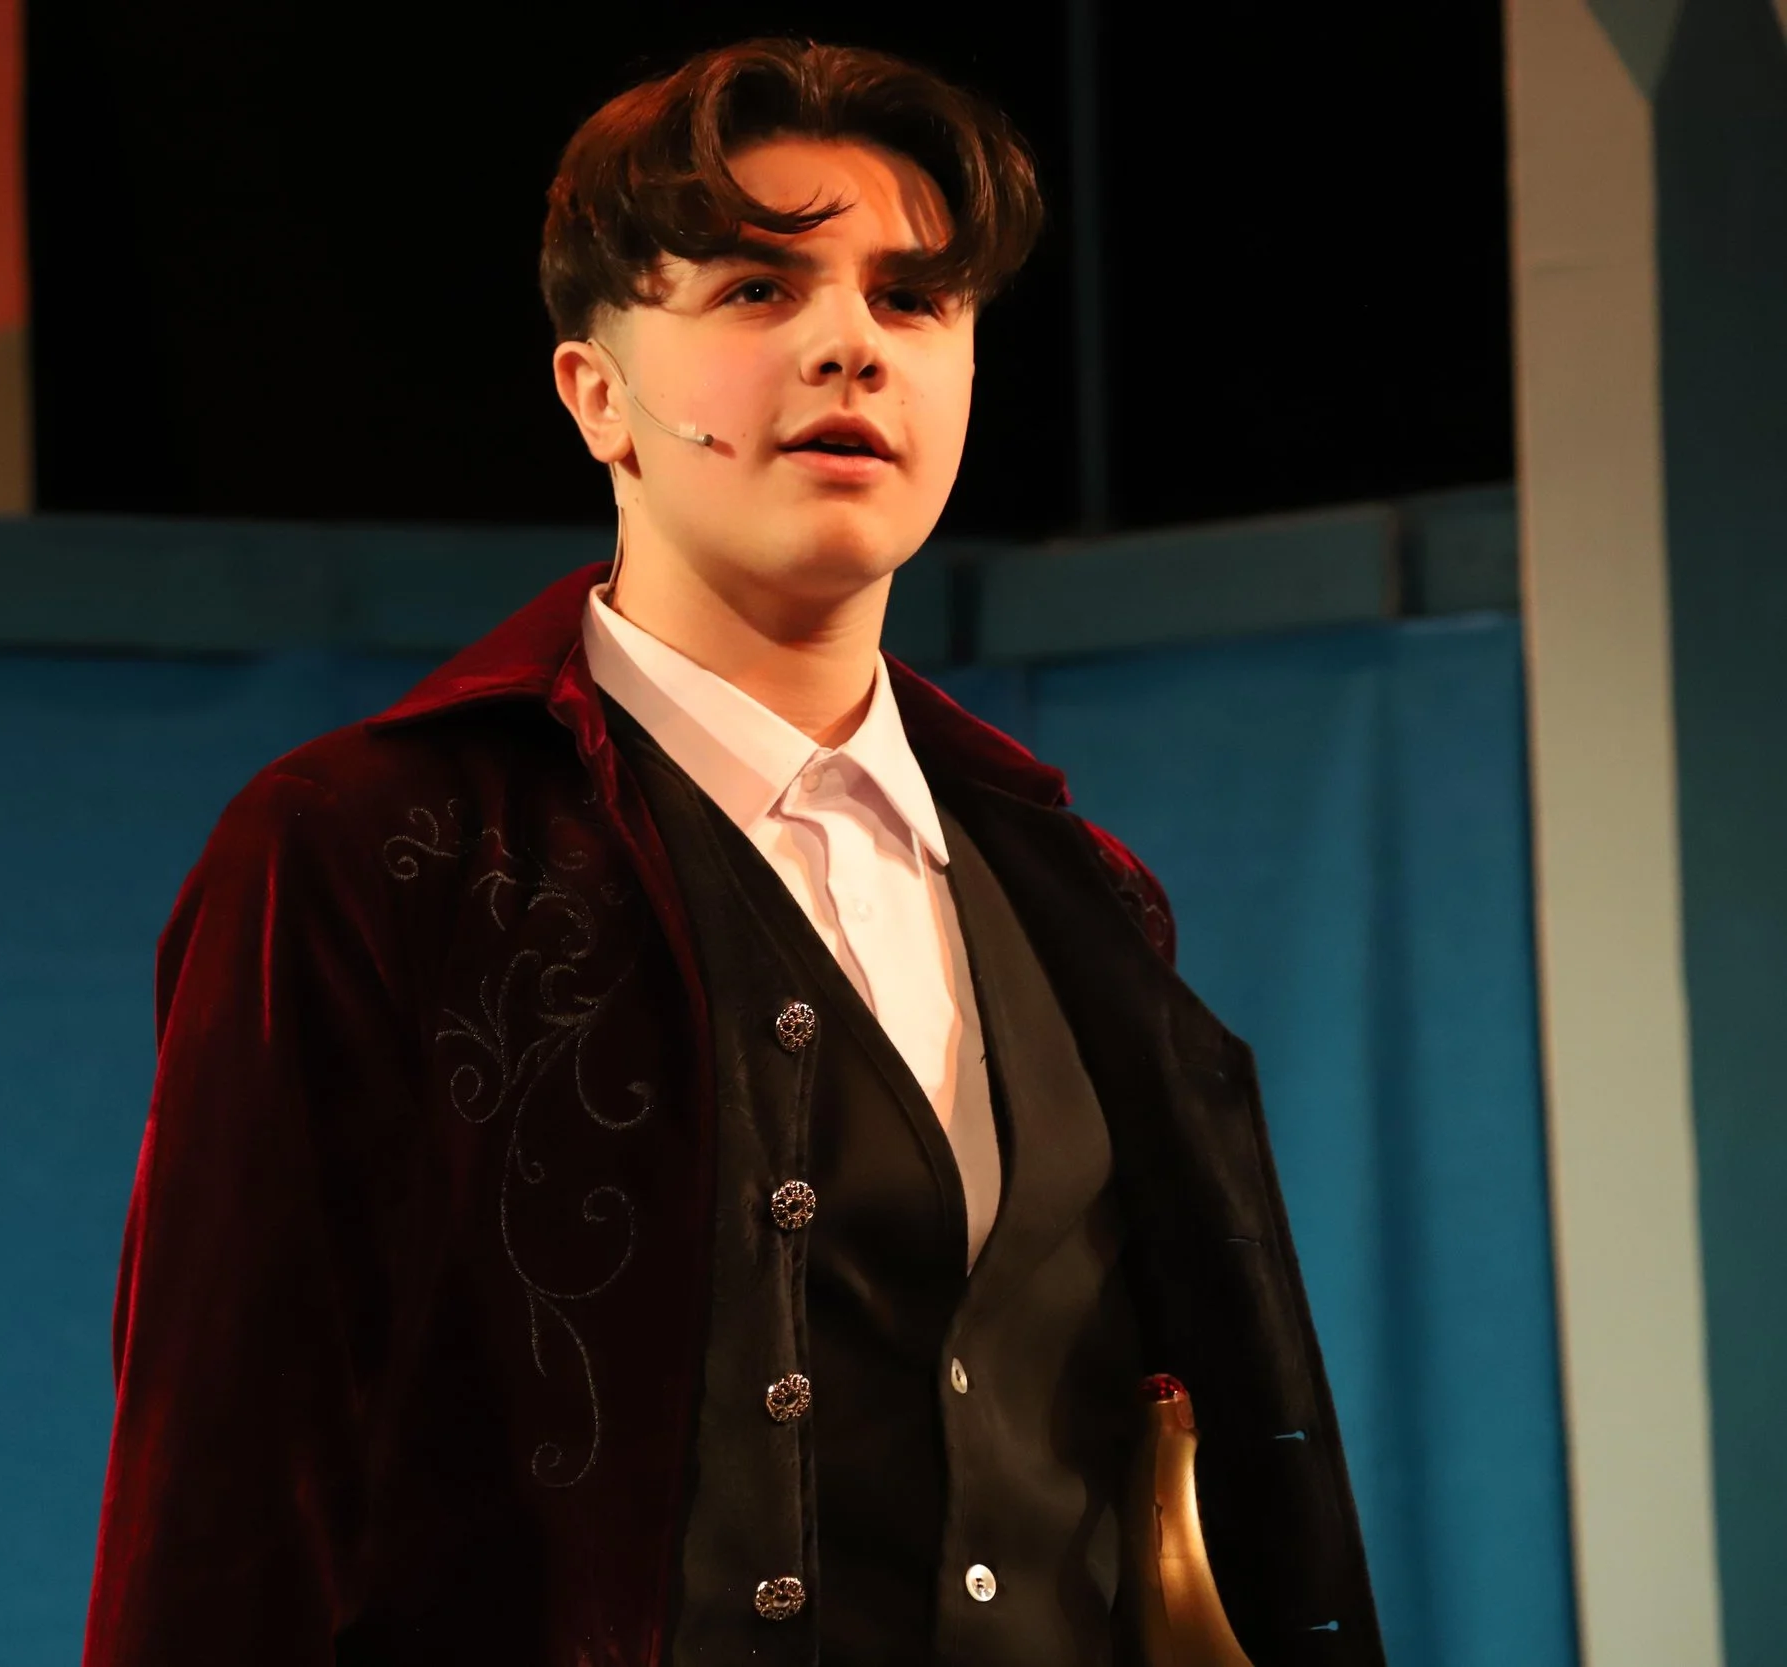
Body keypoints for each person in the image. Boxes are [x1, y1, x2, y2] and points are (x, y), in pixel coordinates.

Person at [80, 36, 1383, 1667]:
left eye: (914, 301)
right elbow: (221, 1513)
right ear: (595, 392)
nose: (851, 343)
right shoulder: (369, 854)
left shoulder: (1082, 898)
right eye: (759, 293)